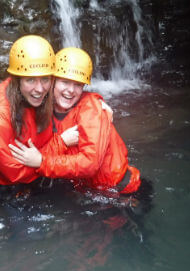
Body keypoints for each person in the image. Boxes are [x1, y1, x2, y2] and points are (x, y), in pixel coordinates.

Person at [9, 47, 141, 198]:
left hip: (121, 191)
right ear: (52, 81)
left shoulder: (91, 110)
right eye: (65, 82)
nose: (71, 90)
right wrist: (60, 144)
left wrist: (42, 161)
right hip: (86, 190)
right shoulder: (43, 107)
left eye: (78, 85)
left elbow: (89, 164)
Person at [0, 35, 78, 200]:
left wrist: (98, 103)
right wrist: (60, 143)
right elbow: (15, 173)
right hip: (12, 189)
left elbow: (71, 91)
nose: (40, 89)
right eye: (30, 80)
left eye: (45, 79)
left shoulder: (40, 93)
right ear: (17, 80)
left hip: (40, 171)